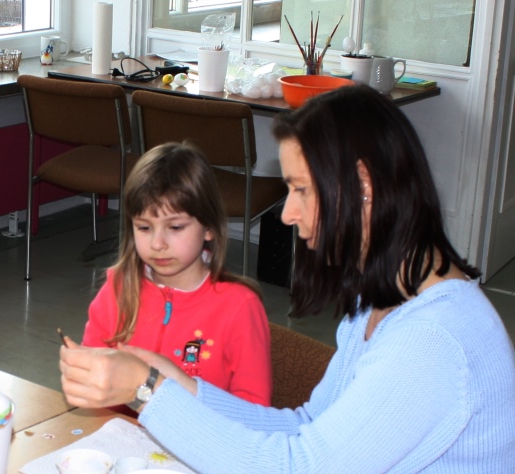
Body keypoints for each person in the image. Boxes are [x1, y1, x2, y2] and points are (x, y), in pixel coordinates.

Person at [59, 85, 515, 472]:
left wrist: (146, 391)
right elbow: (305, 425)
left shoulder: (432, 341)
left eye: (300, 190)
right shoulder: (380, 302)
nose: (288, 213)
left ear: (363, 184)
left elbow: (299, 466)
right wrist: (177, 383)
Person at [81, 143, 271, 405]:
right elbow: (93, 374)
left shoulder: (239, 306)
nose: (158, 243)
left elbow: (254, 411)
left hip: (202, 431)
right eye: (144, 228)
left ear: (209, 227)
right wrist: (82, 374)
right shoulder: (119, 286)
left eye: (176, 227)